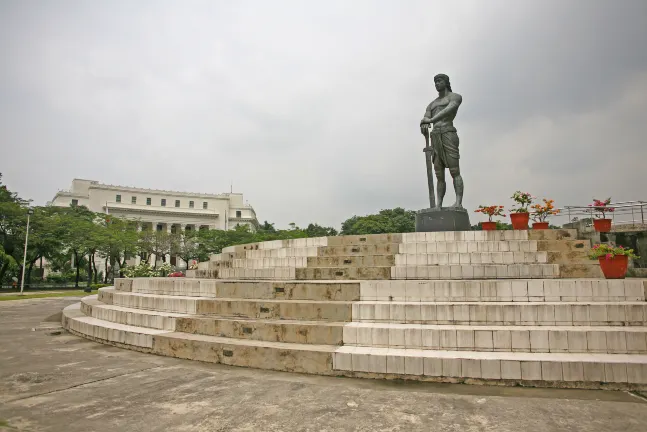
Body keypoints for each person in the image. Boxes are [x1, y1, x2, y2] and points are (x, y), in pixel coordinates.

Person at [420, 74, 464, 209]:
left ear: (446, 82)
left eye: (439, 81)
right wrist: (424, 125)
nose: (437, 84)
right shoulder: (431, 104)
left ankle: (458, 202)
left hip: (448, 133)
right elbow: (425, 118)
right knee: (439, 173)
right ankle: (438, 204)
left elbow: (449, 109)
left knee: (454, 170)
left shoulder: (454, 97)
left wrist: (431, 120)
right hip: (435, 137)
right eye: (435, 82)